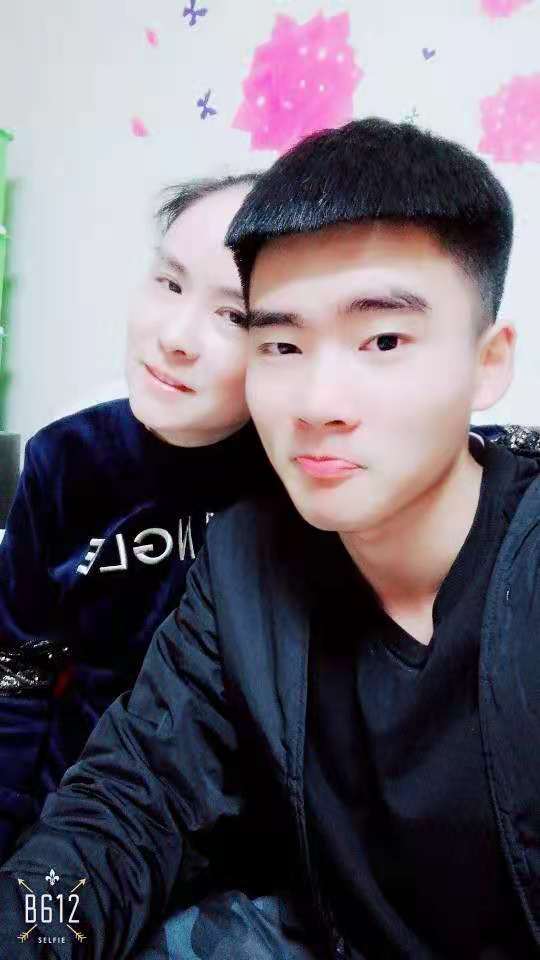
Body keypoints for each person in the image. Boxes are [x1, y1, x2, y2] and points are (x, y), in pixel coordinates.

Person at [2, 118, 539, 959]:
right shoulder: (206, 543)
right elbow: (121, 796)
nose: (319, 401)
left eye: (383, 340)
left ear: (489, 361)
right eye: (282, 344)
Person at [0, 172, 277, 863]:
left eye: (234, 316)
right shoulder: (65, 461)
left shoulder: (299, 476)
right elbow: (20, 663)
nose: (175, 336)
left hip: (229, 838)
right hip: (71, 815)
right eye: (169, 283)